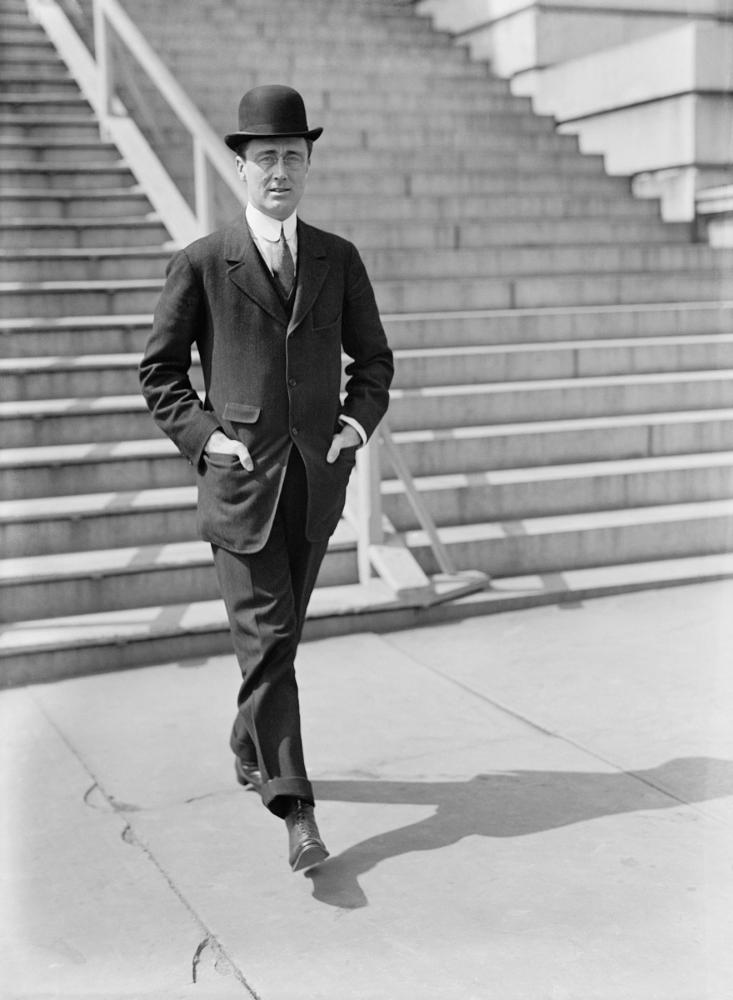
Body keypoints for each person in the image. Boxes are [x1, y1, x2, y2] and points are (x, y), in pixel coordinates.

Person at [139, 85, 393, 873]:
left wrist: (352, 429)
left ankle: (246, 742)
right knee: (274, 641)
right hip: (241, 489)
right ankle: (296, 809)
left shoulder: (337, 258)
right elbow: (160, 373)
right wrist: (207, 440)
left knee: (271, 650)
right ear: (240, 168)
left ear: (308, 164)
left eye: (291, 156)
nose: (278, 171)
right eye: (264, 158)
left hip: (315, 489)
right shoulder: (203, 262)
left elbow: (374, 362)